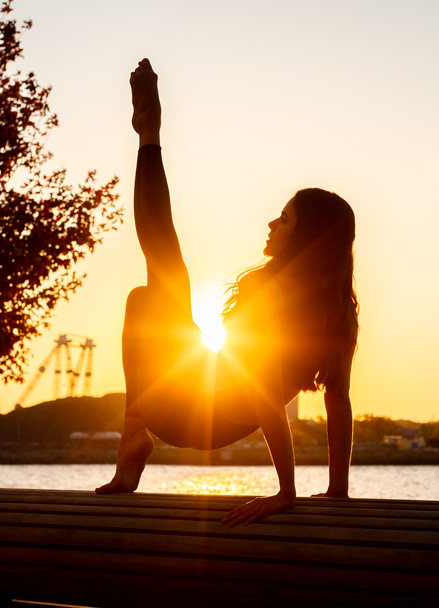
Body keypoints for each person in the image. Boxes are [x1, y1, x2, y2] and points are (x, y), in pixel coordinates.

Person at [96, 59, 358, 526]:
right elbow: (334, 399)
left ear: (306, 237)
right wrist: (335, 488)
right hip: (196, 400)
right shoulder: (335, 312)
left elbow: (268, 391)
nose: (272, 223)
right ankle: (134, 434)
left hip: (193, 411)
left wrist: (290, 491)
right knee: (150, 292)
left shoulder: (275, 297)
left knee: (160, 280)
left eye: (285, 219)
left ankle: (149, 136)